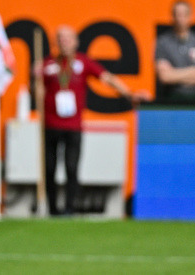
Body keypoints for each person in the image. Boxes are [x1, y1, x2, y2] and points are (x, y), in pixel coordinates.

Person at [42, 25, 144, 215]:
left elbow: (107, 78)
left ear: (75, 42)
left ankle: (70, 207)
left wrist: (128, 94)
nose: (64, 42)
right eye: (60, 38)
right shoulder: (47, 64)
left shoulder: (83, 62)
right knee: (50, 168)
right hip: (50, 124)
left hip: (73, 126)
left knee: (72, 167)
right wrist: (34, 79)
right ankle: (52, 208)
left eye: (68, 38)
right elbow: (37, 90)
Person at [154, 0, 195, 104]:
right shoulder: (163, 42)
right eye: (177, 14)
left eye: (184, 14)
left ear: (190, 17)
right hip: (173, 98)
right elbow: (165, 77)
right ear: (172, 16)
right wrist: (194, 70)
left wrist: (176, 76)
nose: (180, 19)